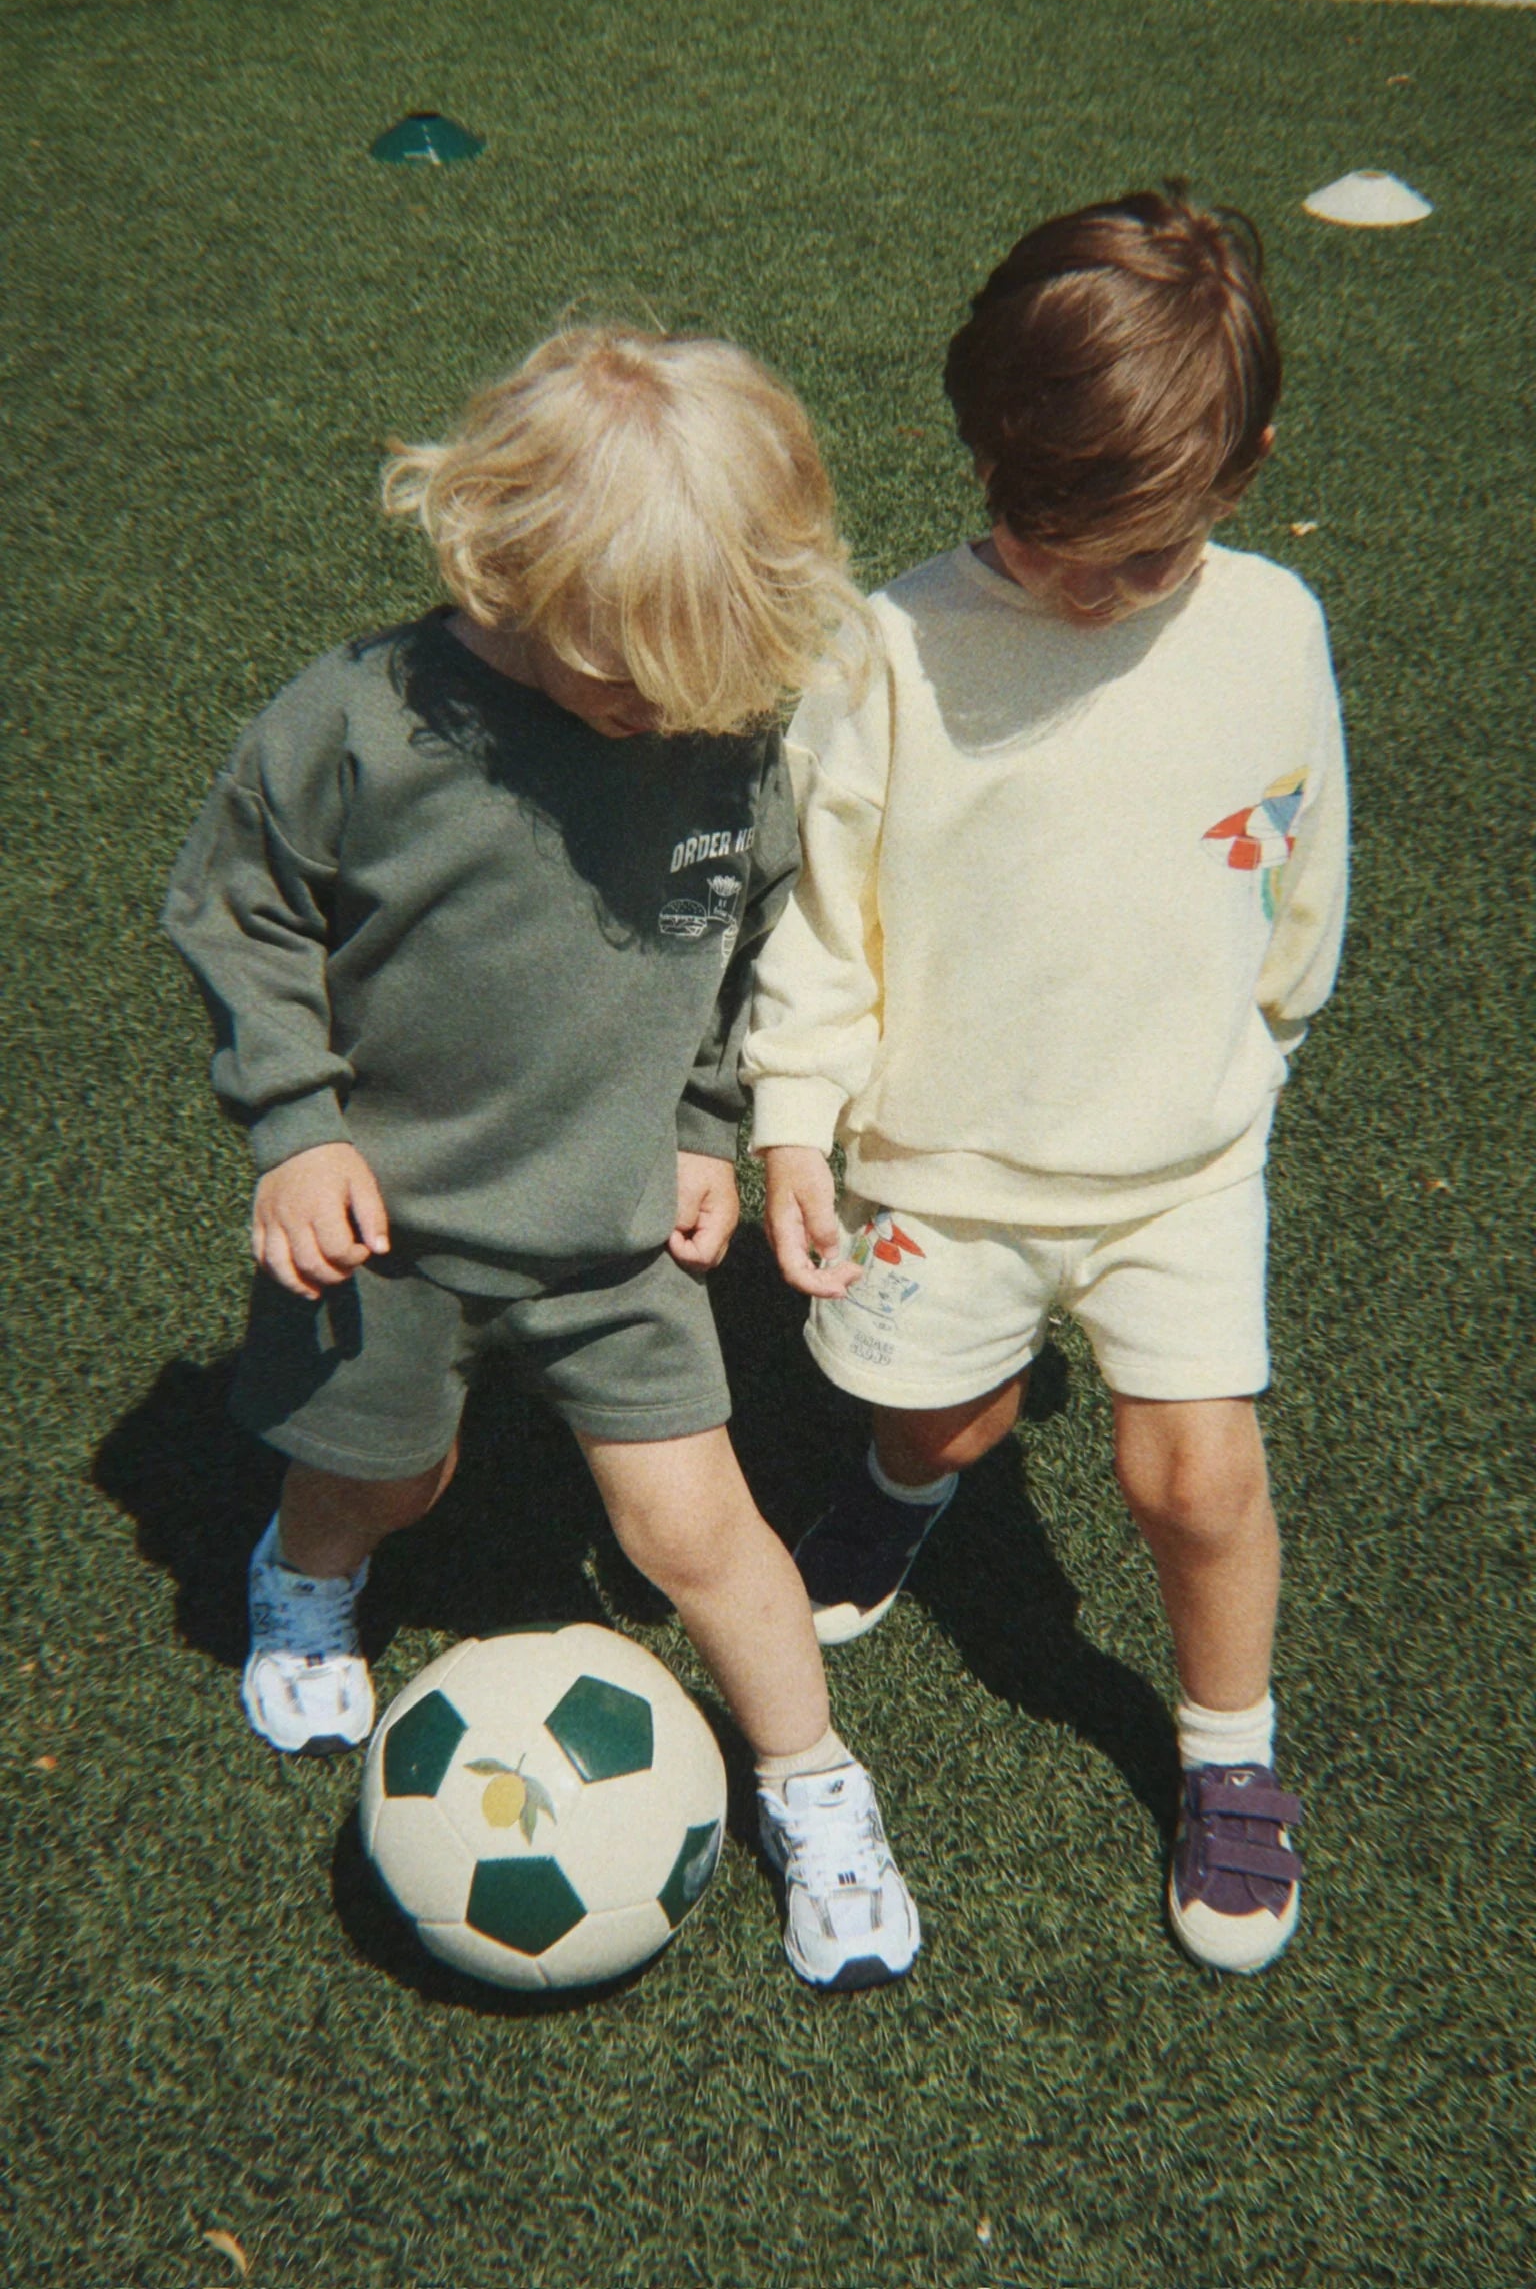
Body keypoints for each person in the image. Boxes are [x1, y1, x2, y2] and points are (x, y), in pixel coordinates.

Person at [162, 324, 919, 1990]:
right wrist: (294, 1130)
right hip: (388, 1232)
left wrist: (705, 1127)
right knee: (387, 1480)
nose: (664, 710)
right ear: (502, 566)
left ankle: (813, 1782)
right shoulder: (359, 725)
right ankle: (306, 1573)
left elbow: (738, 951)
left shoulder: (716, 727)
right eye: (626, 672)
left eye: (707, 676)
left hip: (611, 1238)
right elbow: (242, 909)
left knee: (698, 1533)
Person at [743, 188, 1348, 1974]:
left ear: (1244, 472)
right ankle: (903, 1490)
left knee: (1196, 1481)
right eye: (1042, 536)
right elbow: (825, 916)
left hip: (1179, 1163)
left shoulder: (1273, 628)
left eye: (1142, 557)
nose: (1087, 589)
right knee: (948, 1420)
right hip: (946, 1168)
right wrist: (793, 1120)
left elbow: (1296, 860)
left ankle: (1229, 1755)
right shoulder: (890, 650)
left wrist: (1259, 1039)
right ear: (984, 451)